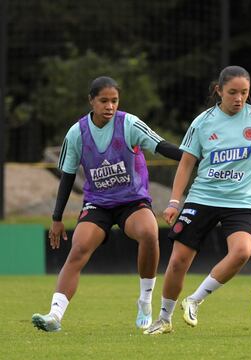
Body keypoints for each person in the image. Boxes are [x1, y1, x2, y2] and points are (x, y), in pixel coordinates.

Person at [31, 76, 182, 332]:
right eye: (103, 101)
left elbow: (162, 146)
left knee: (149, 233)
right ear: (91, 101)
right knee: (78, 249)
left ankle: (145, 300)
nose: (110, 106)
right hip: (97, 205)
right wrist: (57, 219)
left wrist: (192, 157)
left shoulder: (130, 124)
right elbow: (67, 178)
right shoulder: (77, 133)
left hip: (132, 202)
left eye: (114, 100)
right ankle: (55, 315)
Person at [144, 65, 251, 335]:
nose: (239, 99)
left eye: (244, 92)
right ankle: (164, 319)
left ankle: (195, 300)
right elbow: (186, 164)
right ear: (219, 90)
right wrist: (174, 202)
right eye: (232, 92)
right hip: (203, 198)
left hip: (242, 201)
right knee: (178, 262)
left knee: (242, 251)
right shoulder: (203, 122)